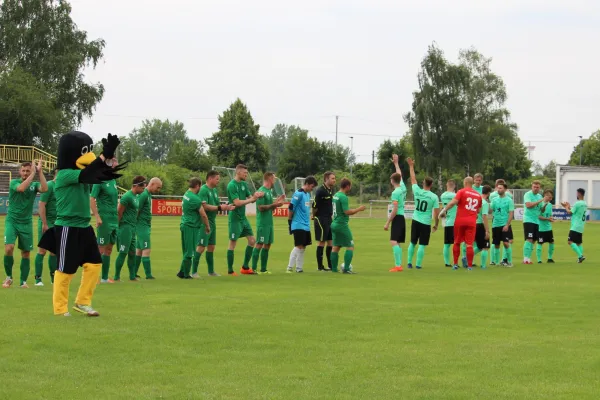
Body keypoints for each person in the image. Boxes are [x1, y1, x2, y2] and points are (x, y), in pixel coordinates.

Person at [38, 131, 125, 316]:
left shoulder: (82, 174)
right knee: (65, 269)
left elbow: (97, 173)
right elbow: (89, 173)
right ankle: (60, 309)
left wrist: (107, 156)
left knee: (94, 264)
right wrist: (103, 155)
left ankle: (82, 302)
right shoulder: (64, 174)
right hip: (67, 226)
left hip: (84, 226)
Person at [3, 160, 48, 288]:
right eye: (23, 170)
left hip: (26, 222)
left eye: (28, 170)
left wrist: (40, 172)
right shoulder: (14, 183)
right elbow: (21, 188)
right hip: (12, 221)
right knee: (9, 248)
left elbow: (45, 188)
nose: (25, 173)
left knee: (26, 252)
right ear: (19, 171)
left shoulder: (34, 185)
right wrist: (32, 174)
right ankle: (9, 277)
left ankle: (23, 281)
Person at [195, 171, 235, 277]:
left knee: (211, 246)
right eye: (217, 179)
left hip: (213, 222)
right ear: (210, 179)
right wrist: (220, 208)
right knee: (201, 246)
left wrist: (227, 206)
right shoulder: (203, 190)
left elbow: (217, 205)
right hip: (204, 222)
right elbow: (204, 207)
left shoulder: (215, 191)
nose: (218, 181)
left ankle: (211, 271)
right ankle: (193, 271)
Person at [227, 164, 264, 276]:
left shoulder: (244, 184)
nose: (246, 175)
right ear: (238, 172)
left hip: (243, 218)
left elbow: (250, 199)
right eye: (245, 173)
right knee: (233, 243)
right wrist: (252, 199)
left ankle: (245, 267)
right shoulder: (231, 185)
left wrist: (257, 196)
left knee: (252, 240)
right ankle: (230, 270)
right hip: (235, 218)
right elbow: (237, 203)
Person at [439, 177, 482, 270]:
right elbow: (478, 210)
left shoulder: (461, 192)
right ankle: (470, 266)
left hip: (460, 221)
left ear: (465, 182)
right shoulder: (478, 195)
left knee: (457, 242)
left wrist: (444, 210)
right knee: (469, 244)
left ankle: (455, 264)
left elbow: (452, 203)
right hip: (472, 222)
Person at [405, 158, 440, 269]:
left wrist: (411, 166)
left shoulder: (417, 191)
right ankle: (418, 265)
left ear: (423, 183)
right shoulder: (434, 197)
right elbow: (436, 213)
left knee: (412, 242)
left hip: (415, 220)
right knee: (422, 245)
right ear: (432, 184)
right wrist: (436, 224)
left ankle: (409, 263)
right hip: (425, 223)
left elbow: (413, 179)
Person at [90, 159, 119, 284]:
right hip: (104, 219)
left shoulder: (112, 180)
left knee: (109, 248)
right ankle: (93, 277)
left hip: (114, 219)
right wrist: (97, 216)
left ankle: (105, 278)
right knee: (100, 248)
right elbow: (92, 198)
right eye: (114, 163)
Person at [330, 178, 366, 273]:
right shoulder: (343, 197)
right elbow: (347, 212)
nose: (350, 188)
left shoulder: (335, 195)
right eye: (350, 186)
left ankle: (334, 269)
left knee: (336, 246)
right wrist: (359, 209)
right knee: (350, 245)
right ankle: (346, 269)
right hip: (342, 224)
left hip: (334, 223)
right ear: (347, 186)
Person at [252, 172, 285, 274]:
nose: (275, 179)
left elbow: (270, 207)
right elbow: (261, 208)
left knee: (268, 244)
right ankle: (253, 269)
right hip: (262, 223)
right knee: (259, 244)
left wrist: (276, 203)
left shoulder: (269, 191)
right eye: (274, 177)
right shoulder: (261, 191)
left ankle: (263, 269)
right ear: (270, 178)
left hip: (269, 222)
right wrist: (274, 204)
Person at [114, 176, 145, 281]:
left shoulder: (136, 196)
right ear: (136, 186)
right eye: (142, 188)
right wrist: (117, 228)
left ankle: (132, 276)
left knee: (132, 253)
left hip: (132, 228)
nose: (143, 190)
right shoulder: (127, 197)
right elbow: (119, 212)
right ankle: (116, 276)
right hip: (125, 228)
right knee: (123, 252)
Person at [179, 178, 211, 279]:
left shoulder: (187, 194)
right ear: (197, 185)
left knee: (186, 250)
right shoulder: (195, 199)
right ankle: (186, 274)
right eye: (200, 186)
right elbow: (204, 215)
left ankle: (181, 271)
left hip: (184, 224)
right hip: (191, 226)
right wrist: (207, 226)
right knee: (190, 252)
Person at [133, 177, 162, 279]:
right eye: (157, 187)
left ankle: (133, 272)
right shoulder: (144, 194)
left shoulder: (148, 194)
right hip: (141, 225)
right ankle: (148, 275)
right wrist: (134, 223)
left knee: (139, 250)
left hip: (144, 225)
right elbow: (137, 209)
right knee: (146, 249)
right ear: (152, 184)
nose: (158, 190)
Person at [287, 176, 318, 273]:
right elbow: (291, 207)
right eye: (312, 186)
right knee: (298, 246)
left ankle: (299, 268)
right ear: (307, 184)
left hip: (306, 225)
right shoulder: (298, 193)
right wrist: (290, 222)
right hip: (298, 224)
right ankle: (289, 267)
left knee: (303, 246)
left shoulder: (307, 195)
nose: (312, 189)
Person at [384, 154, 406, 272]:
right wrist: (396, 164)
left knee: (393, 241)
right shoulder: (402, 188)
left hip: (397, 217)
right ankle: (399, 265)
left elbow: (395, 209)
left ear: (392, 181)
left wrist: (388, 222)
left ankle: (398, 266)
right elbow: (400, 175)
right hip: (402, 218)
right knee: (397, 242)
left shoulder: (395, 193)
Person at [34, 169, 57, 286]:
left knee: (54, 252)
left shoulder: (63, 187)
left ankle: (54, 279)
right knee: (42, 250)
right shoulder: (49, 185)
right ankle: (38, 279)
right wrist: (44, 223)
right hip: (47, 223)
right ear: (57, 172)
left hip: (58, 223)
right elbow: (41, 205)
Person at [313, 171, 336, 271]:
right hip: (321, 219)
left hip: (329, 219)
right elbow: (314, 206)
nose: (334, 180)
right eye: (332, 178)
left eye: (334, 178)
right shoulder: (320, 191)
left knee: (330, 242)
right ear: (326, 179)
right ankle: (320, 266)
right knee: (321, 242)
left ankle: (330, 265)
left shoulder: (331, 190)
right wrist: (313, 215)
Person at [490, 182, 514, 267]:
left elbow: (511, 213)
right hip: (495, 224)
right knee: (496, 244)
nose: (498, 190)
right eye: (497, 188)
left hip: (504, 224)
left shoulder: (509, 200)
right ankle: (496, 263)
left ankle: (510, 262)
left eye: (500, 188)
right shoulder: (494, 199)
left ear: (505, 189)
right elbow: (491, 210)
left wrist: (507, 224)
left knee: (506, 243)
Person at [562, 188, 587, 263]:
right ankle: (580, 258)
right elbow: (575, 212)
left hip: (575, 226)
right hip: (581, 226)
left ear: (579, 193)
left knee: (570, 241)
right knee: (578, 243)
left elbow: (570, 212)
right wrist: (568, 207)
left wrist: (566, 207)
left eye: (577, 193)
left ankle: (580, 256)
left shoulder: (577, 203)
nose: (576, 195)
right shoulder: (584, 203)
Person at [522, 180, 544, 264]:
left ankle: (528, 258)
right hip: (528, 219)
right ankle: (525, 259)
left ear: (539, 188)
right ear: (532, 186)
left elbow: (541, 209)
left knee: (534, 240)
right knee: (529, 238)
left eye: (537, 187)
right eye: (534, 187)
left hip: (536, 220)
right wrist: (540, 201)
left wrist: (545, 204)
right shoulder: (528, 194)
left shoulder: (540, 196)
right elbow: (528, 205)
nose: (536, 188)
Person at [439, 180, 457, 268]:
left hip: (447, 222)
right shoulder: (455, 195)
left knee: (447, 244)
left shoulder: (442, 196)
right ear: (454, 186)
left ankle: (446, 262)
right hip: (456, 222)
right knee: (456, 243)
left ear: (447, 185)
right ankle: (455, 261)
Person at [474, 185, 491, 269]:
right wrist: (487, 230)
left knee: (479, 246)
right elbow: (484, 216)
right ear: (488, 193)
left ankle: (466, 257)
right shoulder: (484, 203)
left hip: (474, 224)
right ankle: (483, 265)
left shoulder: (476, 200)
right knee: (485, 246)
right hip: (480, 225)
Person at [537, 190, 555, 264]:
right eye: (549, 197)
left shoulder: (550, 205)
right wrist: (547, 219)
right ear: (545, 195)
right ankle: (539, 260)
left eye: (551, 197)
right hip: (541, 228)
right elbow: (538, 216)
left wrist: (551, 218)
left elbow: (550, 214)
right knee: (540, 243)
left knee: (551, 242)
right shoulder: (539, 204)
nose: (551, 199)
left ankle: (550, 258)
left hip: (548, 228)